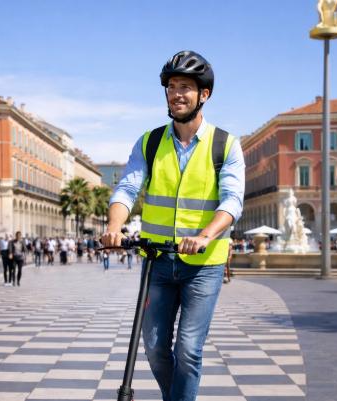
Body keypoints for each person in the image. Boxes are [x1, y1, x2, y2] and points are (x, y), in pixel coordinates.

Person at [101, 50, 245, 401]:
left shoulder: (225, 145)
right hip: (158, 262)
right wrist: (114, 227)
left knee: (189, 349)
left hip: (204, 265)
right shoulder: (150, 142)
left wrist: (205, 235)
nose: (176, 93)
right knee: (152, 347)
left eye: (185, 87)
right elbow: (128, 186)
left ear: (203, 95)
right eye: (171, 86)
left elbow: (231, 201)